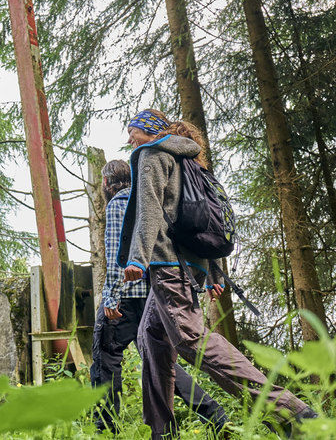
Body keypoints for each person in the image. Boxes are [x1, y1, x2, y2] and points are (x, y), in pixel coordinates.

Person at [119, 111, 317, 439]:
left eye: (133, 132)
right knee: (150, 337)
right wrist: (214, 272)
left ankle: (291, 412)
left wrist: (138, 260)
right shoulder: (188, 161)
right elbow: (198, 220)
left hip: (167, 265)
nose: (129, 140)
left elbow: (150, 210)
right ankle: (161, 432)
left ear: (150, 131)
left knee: (190, 339)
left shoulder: (152, 155)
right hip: (188, 266)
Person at [91, 158, 228, 434]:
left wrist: (111, 296)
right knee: (161, 361)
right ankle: (214, 414)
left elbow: (118, 255)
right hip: (156, 294)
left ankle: (105, 428)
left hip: (126, 296)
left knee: (106, 357)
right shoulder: (150, 201)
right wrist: (213, 275)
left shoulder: (119, 204)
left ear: (106, 183)